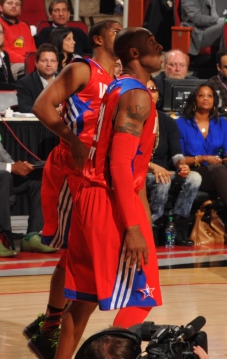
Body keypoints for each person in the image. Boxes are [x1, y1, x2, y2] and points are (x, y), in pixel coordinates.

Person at [56, 28, 164, 359]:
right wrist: (133, 227)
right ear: (133, 52)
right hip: (109, 201)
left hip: (90, 197)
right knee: (144, 296)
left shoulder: (118, 87)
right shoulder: (137, 96)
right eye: (151, 44)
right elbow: (119, 166)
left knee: (82, 300)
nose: (159, 46)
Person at [25, 22, 121, 356]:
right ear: (98, 39)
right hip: (73, 168)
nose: (121, 34)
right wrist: (72, 140)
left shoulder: (120, 79)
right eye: (115, 30)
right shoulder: (82, 69)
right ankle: (51, 326)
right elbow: (41, 106)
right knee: (73, 254)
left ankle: (49, 325)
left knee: (74, 255)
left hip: (98, 172)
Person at [176, 84, 227, 247]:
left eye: (209, 96)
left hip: (219, 171)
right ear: (194, 100)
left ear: (214, 101)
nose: (206, 99)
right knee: (218, 169)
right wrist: (204, 158)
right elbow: (180, 157)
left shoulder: (221, 123)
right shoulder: (182, 123)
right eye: (201, 95)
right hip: (196, 171)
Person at [142, 78, 198, 248]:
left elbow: (176, 153)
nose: (150, 93)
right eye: (146, 89)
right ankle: (152, 227)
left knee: (194, 178)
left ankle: (177, 227)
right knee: (163, 181)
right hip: (141, 171)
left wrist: (181, 164)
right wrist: (153, 166)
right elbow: (129, 156)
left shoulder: (167, 121)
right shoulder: (133, 118)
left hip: (164, 171)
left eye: (153, 89)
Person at [0, 0, 36, 78]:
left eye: (17, 4)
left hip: (27, 62)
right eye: (10, 3)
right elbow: (4, 51)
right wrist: (28, 61)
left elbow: (33, 50)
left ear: (20, 11)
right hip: (9, 64)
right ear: (1, 8)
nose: (13, 6)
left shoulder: (24, 26)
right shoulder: (0, 25)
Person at [15, 45, 59, 112]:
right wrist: (54, 111)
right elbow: (25, 109)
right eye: (44, 61)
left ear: (57, 63)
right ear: (36, 63)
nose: (49, 64)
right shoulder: (25, 83)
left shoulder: (65, 81)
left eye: (53, 61)